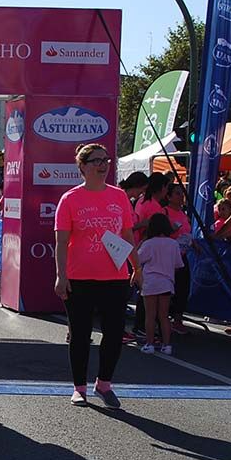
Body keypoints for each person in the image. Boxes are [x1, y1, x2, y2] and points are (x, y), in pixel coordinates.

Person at [54, 143, 141, 409]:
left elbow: (127, 235)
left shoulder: (119, 197)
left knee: (114, 333)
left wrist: (137, 267)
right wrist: (61, 275)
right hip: (79, 277)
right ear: (82, 166)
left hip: (114, 277)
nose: (103, 165)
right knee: (80, 334)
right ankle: (79, 388)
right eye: (96, 161)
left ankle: (104, 383)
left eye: (106, 160)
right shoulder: (70, 199)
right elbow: (61, 241)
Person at [137, 213, 183, 356]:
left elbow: (138, 259)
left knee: (150, 315)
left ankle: (149, 344)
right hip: (166, 282)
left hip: (150, 282)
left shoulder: (149, 243)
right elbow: (177, 264)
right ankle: (167, 345)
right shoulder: (173, 244)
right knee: (164, 316)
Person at [162, 182, 192, 335]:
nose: (181, 197)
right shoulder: (164, 212)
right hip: (168, 258)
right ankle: (163, 318)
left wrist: (193, 244)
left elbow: (187, 233)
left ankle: (177, 319)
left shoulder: (184, 214)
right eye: (177, 194)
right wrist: (171, 230)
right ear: (168, 196)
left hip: (182, 256)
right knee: (167, 289)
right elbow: (160, 233)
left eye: (182, 194)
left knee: (182, 287)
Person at [133, 173, 168, 243]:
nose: (167, 191)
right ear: (162, 187)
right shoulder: (154, 206)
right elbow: (155, 232)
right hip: (146, 245)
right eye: (167, 187)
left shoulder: (141, 200)